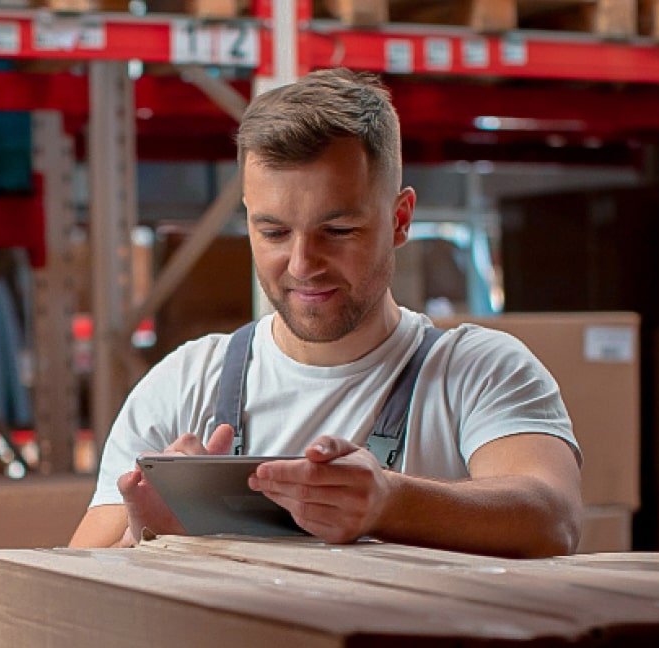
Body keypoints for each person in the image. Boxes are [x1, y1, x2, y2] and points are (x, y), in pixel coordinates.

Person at [69, 68, 582, 557]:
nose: (301, 265)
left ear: (400, 220)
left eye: (337, 231)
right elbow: (74, 579)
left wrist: (391, 501)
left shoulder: (479, 371)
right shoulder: (183, 385)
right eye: (273, 232)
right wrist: (151, 540)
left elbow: (551, 517)